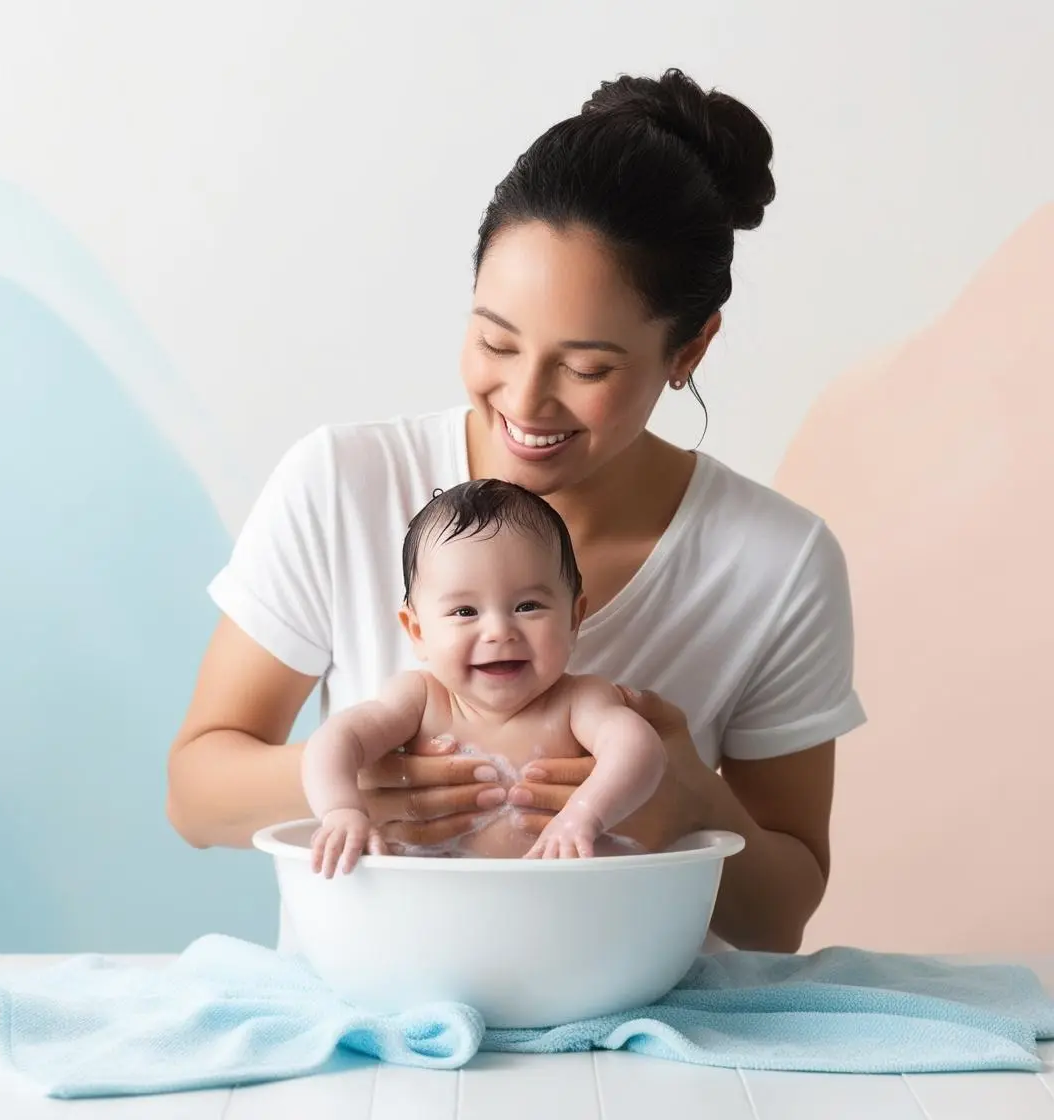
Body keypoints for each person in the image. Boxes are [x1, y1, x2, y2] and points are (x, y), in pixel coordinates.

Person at [167, 66, 866, 954]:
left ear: (690, 347)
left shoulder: (777, 562)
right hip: (378, 1033)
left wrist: (688, 800)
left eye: (587, 368)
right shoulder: (342, 483)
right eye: (495, 340)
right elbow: (194, 794)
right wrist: (357, 782)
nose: (525, 401)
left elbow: (780, 919)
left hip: (647, 1046)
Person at [305, 478, 666, 877]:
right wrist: (341, 810)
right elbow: (337, 740)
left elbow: (637, 748)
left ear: (573, 619)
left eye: (528, 606)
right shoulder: (421, 699)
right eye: (465, 612)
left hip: (559, 900)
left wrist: (585, 815)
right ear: (418, 632)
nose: (498, 631)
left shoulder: (580, 701)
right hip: (438, 902)